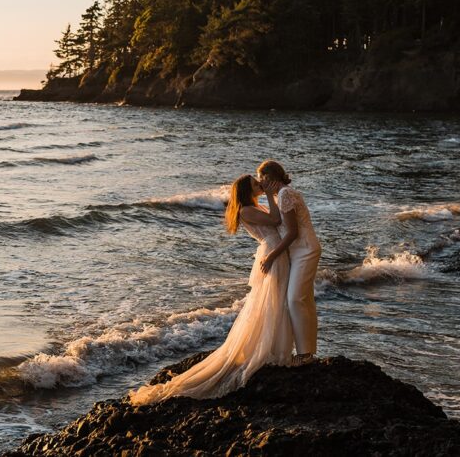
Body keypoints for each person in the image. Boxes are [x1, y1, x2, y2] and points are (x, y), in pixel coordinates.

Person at [128, 174, 293, 405]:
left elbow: (280, 218)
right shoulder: (246, 210)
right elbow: (276, 221)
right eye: (257, 184)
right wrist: (270, 193)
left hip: (275, 253)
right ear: (247, 190)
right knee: (270, 302)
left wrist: (280, 192)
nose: (261, 185)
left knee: (275, 301)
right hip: (272, 255)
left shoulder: (254, 206)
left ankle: (272, 347)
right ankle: (264, 350)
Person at [256, 160, 322, 365]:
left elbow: (292, 232)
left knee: (295, 300)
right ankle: (307, 352)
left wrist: (272, 256)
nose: (260, 184)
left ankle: (304, 356)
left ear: (269, 178)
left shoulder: (284, 194)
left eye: (262, 179)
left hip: (305, 249)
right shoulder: (283, 193)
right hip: (301, 250)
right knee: (304, 300)